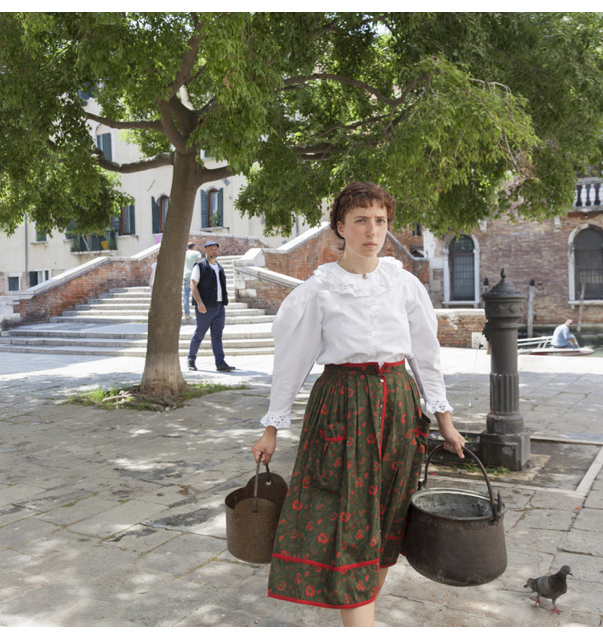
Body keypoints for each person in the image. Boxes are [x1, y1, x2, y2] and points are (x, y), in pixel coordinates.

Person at [250, 181, 466, 626]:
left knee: (388, 518)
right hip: (341, 408)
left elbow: (425, 356)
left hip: (399, 406)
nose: (373, 231)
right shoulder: (320, 289)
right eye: (361, 220)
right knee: (346, 522)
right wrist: (272, 426)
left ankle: (362, 610)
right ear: (340, 227)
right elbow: (292, 361)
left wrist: (444, 419)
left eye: (381, 221)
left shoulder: (403, 283)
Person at [187, 241, 236, 372]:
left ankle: (220, 363)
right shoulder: (200, 266)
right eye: (211, 249)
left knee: (217, 335)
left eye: (216, 249)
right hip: (205, 307)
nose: (214, 251)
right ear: (205, 250)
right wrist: (199, 303)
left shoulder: (219, 267)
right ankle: (191, 359)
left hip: (219, 306)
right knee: (199, 334)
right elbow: (193, 285)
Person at [183, 242, 203, 318]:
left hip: (186, 275)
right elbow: (199, 263)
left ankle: (187, 313)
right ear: (194, 247)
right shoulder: (196, 253)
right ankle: (199, 312)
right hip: (194, 275)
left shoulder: (184, 253)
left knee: (186, 295)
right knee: (197, 293)